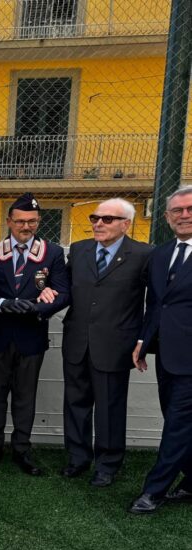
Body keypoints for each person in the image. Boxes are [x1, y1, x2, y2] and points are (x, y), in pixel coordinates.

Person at [0, 193, 70, 476]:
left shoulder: (52, 253)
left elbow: (63, 292)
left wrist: (39, 307)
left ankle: (22, 449)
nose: (26, 226)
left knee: (25, 396)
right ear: (9, 222)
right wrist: (2, 304)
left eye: (32, 221)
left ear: (38, 221)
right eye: (20, 221)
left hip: (31, 334)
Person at [61, 198, 150, 487]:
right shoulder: (79, 250)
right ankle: (77, 458)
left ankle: (108, 464)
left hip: (115, 345)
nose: (98, 223)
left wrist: (143, 340)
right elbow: (64, 289)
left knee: (110, 408)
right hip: (77, 341)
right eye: (95, 217)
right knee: (75, 402)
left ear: (126, 224)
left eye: (107, 219)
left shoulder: (143, 254)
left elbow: (156, 300)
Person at [129, 186, 192, 513]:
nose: (184, 215)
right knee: (177, 419)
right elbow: (156, 303)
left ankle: (153, 492)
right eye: (177, 211)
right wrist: (143, 341)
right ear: (167, 217)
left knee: (177, 424)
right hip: (167, 355)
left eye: (190, 209)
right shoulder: (161, 253)